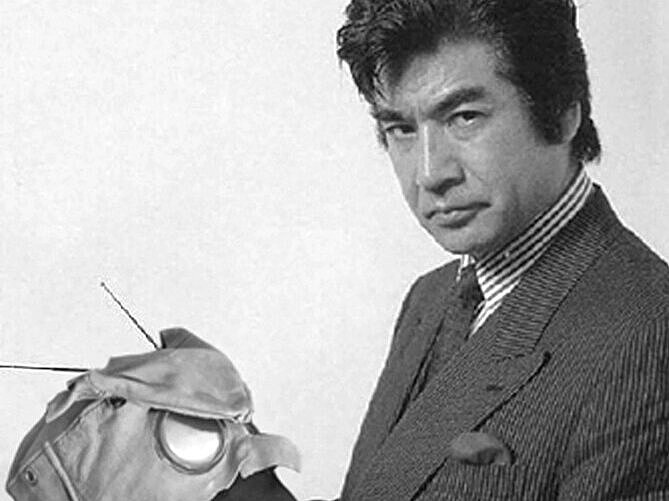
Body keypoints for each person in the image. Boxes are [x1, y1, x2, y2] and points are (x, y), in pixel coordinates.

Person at [218, 0, 669, 499]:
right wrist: (225, 456)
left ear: (563, 114)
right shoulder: (431, 297)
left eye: (464, 117)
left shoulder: (650, 336)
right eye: (401, 129)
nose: (430, 173)